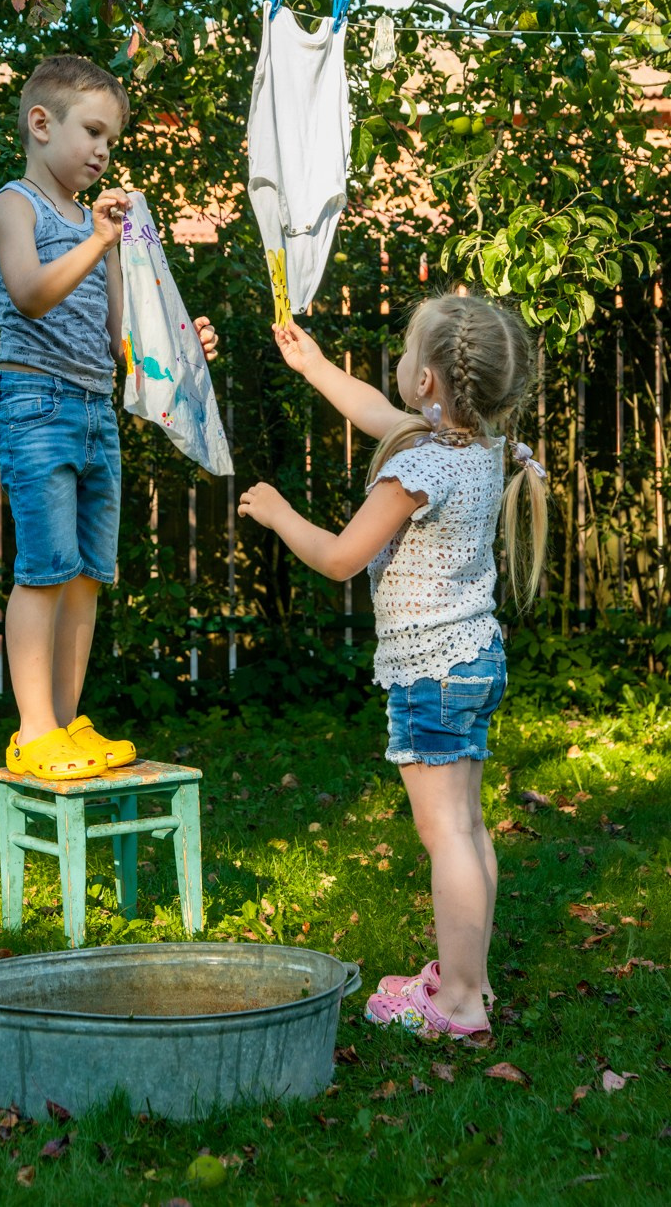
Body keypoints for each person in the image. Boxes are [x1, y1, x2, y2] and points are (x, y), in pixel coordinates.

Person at [238, 292, 547, 1038]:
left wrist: (280, 514)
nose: (399, 366)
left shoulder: (418, 465)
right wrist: (313, 366)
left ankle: (459, 1003)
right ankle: (466, 980)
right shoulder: (475, 446)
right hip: (473, 659)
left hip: (431, 672)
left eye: (407, 354)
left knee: (446, 835)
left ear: (428, 383)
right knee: (467, 830)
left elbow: (343, 558)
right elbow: (375, 410)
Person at [0, 54, 218, 781]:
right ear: (40, 123)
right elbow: (27, 293)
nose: (101, 151)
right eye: (91, 131)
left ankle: (62, 725)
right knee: (45, 569)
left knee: (86, 574)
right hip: (36, 401)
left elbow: (125, 337)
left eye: (111, 139)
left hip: (93, 407)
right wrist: (95, 241)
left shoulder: (99, 229)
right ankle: (31, 730)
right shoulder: (13, 204)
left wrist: (182, 346)